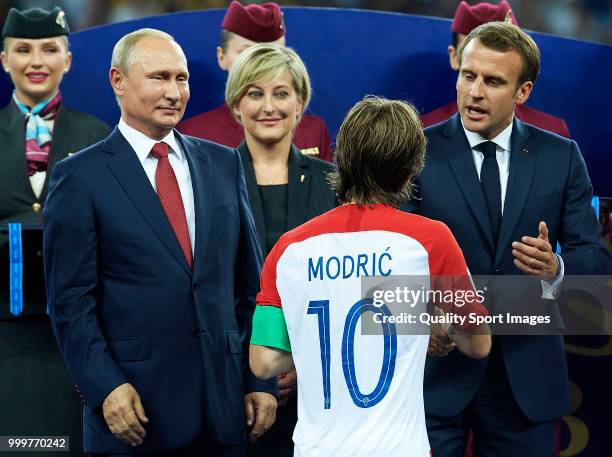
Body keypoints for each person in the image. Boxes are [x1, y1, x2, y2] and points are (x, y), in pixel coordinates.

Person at [43, 28, 277, 456]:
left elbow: (252, 287)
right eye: (159, 78)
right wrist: (105, 386)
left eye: (182, 79)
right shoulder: (79, 177)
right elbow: (69, 302)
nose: (174, 92)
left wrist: (260, 378)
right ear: (117, 80)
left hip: (224, 416)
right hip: (134, 417)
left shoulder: (224, 164)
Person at [405, 22, 611, 457]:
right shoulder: (415, 152)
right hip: (434, 378)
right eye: (468, 75)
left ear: (523, 91)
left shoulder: (561, 156)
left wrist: (557, 269)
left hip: (527, 381)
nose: (475, 92)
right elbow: (392, 257)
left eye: (493, 81)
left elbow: (595, 259)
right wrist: (424, 319)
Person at [249, 95, 492, 457]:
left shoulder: (288, 249)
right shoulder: (430, 241)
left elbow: (264, 361)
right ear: (412, 169)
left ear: (341, 159)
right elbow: (478, 343)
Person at [0, 7, 109, 454]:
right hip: (6, 336)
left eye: (50, 49)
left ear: (68, 58)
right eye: (23, 50)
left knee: (69, 443)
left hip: (78, 335)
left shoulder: (99, 136)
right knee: (17, 444)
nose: (36, 61)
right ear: (4, 59)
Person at [226, 43, 336, 456]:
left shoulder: (333, 185)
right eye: (254, 93)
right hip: (236, 383)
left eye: (281, 92)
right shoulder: (210, 181)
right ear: (236, 106)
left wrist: (296, 362)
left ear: (300, 103)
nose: (268, 106)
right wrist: (258, 372)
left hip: (322, 385)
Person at [179, 0, 333, 162]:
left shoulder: (313, 131)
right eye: (247, 52)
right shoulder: (194, 135)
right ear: (221, 57)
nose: (260, 65)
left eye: (273, 53)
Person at [421, 0, 571, 138]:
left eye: (500, 49)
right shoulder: (424, 133)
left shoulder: (553, 135)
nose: (476, 92)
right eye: (472, 50)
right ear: (455, 57)